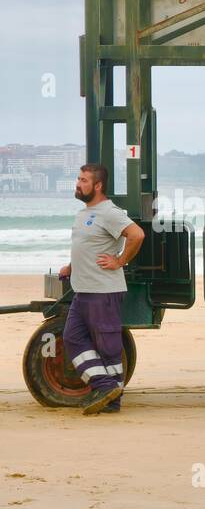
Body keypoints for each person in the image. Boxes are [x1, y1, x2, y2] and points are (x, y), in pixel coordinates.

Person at [57, 164, 145, 415]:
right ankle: (106, 388)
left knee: (108, 348)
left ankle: (111, 399)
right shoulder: (84, 212)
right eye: (78, 178)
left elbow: (136, 235)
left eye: (83, 180)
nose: (78, 183)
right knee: (73, 339)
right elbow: (88, 246)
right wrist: (72, 266)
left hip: (103, 291)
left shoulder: (109, 212)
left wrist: (120, 261)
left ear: (98, 186)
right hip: (83, 290)